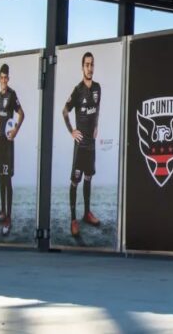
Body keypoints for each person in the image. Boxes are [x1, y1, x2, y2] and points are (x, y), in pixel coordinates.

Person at [62, 51, 103, 238]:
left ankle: (87, 213)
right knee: (75, 181)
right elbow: (64, 111)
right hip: (80, 146)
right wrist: (72, 130)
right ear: (82, 67)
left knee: (88, 178)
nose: (90, 68)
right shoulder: (78, 90)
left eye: (92, 64)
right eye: (87, 64)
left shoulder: (97, 88)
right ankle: (73, 219)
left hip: (91, 145)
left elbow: (98, 108)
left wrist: (96, 125)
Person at [0, 63, 24, 237]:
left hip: (8, 142)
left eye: (6, 77)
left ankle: (9, 218)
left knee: (7, 180)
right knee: (0, 178)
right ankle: (3, 211)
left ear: (8, 79)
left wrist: (16, 130)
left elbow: (22, 114)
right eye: (1, 78)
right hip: (0, 143)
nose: (4, 80)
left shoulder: (12, 95)